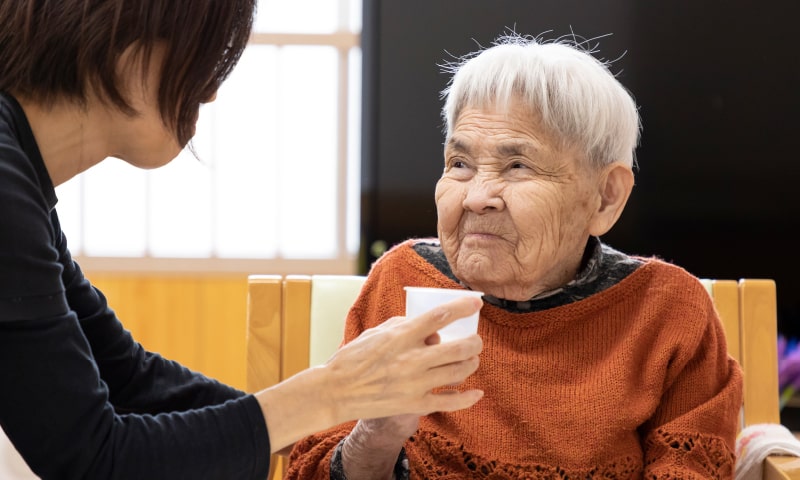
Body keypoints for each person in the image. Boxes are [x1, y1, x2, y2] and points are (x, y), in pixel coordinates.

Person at [0, 1, 485, 479]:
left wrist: (331, 421)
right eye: (206, 57)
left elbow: (128, 377)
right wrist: (331, 393)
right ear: (127, 45)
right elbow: (96, 459)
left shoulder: (21, 181)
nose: (209, 94)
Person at [286, 32, 744, 479]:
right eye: (460, 164)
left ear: (605, 197)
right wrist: (378, 432)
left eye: (518, 166)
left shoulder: (666, 310)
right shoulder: (403, 281)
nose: (477, 196)